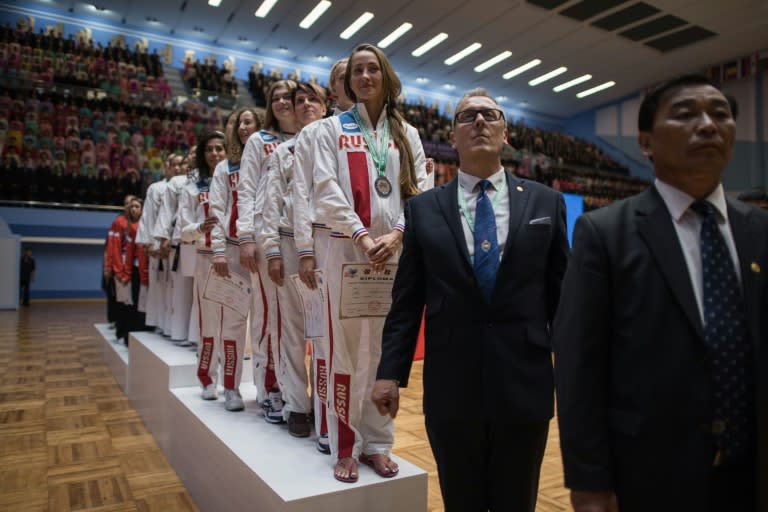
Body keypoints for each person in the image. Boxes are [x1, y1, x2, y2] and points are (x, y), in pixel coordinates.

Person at [552, 74, 768, 512]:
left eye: (720, 114)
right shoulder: (604, 233)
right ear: (646, 143)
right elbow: (579, 365)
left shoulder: (760, 230)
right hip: (650, 474)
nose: (707, 125)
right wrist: (589, 479)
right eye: (686, 114)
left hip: (752, 472)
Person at [371, 88, 569, 510]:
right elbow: (407, 302)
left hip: (524, 386)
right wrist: (390, 371)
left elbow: (563, 301)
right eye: (467, 117)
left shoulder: (545, 202)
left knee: (517, 502)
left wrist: (578, 376)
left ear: (506, 133)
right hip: (452, 389)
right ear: (453, 137)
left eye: (489, 114)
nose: (479, 121)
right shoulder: (423, 209)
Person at [313, 43, 428, 483]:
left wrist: (397, 234)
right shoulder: (330, 129)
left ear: (386, 77)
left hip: (392, 258)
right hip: (345, 252)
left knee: (385, 354)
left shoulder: (407, 134)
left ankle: (378, 444)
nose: (364, 76)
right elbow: (325, 189)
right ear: (348, 82)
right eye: (356, 71)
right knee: (343, 353)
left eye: (372, 69)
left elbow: (420, 189)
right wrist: (362, 236)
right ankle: (346, 445)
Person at [292, 57, 353, 454]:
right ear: (334, 89)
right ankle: (328, 422)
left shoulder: (385, 130)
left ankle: (359, 426)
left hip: (371, 246)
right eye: (342, 77)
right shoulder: (316, 132)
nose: (353, 81)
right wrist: (305, 249)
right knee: (326, 340)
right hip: (326, 238)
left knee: (364, 344)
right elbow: (302, 192)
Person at [260, 82, 327, 436]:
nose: (304, 105)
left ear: (325, 105)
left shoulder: (336, 146)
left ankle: (325, 402)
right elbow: (268, 205)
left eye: (312, 99)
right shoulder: (282, 152)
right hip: (289, 245)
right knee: (294, 330)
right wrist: (271, 250)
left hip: (328, 242)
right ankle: (297, 405)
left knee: (326, 332)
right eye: (298, 101)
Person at [236, 79, 297, 422]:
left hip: (300, 240)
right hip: (266, 238)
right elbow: (246, 191)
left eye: (289, 96)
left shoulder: (310, 135)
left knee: (296, 324)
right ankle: (269, 388)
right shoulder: (260, 141)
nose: (283, 102)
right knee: (268, 316)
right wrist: (246, 236)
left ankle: (293, 390)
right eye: (276, 98)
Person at [208, 107, 261, 411]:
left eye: (248, 121)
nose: (242, 127)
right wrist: (217, 249)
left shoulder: (272, 159)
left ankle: (266, 388)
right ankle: (230, 386)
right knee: (233, 322)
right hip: (232, 249)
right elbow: (216, 210)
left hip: (266, 250)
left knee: (266, 324)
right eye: (238, 123)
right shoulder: (225, 168)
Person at [178, 131, 227, 400]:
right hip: (205, 257)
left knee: (232, 323)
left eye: (220, 148)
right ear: (202, 154)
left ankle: (230, 384)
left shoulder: (239, 181)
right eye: (210, 149)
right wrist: (199, 227)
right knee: (207, 323)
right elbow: (183, 231)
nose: (215, 153)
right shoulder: (192, 188)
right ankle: (207, 378)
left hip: (232, 258)